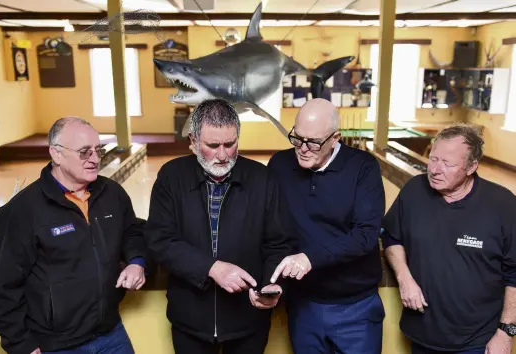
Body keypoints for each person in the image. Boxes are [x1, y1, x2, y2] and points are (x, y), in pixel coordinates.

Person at [144, 98, 296, 354]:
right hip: (189, 320)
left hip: (248, 319)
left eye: (230, 143)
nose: (223, 154)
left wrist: (271, 284)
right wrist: (211, 268)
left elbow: (278, 243)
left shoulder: (262, 178)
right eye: (212, 146)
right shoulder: (171, 177)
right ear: (193, 142)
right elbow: (159, 240)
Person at [0, 117, 147, 354]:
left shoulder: (112, 194)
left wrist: (137, 262)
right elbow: (4, 284)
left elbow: (133, 232)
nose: (95, 159)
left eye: (98, 150)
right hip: (56, 345)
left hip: (110, 332)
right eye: (84, 152)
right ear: (56, 154)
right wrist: (21, 344)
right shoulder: (25, 209)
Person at [381, 123, 516, 354]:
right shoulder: (414, 190)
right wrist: (404, 277)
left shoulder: (503, 204)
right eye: (433, 159)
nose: (435, 169)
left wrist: (506, 332)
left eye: (448, 163)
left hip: (477, 342)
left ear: (472, 166)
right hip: (422, 336)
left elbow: (514, 273)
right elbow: (392, 237)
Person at [267, 98, 386, 354]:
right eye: (297, 138)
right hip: (303, 304)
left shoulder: (363, 167)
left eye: (314, 142)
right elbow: (271, 230)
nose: (303, 148)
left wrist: (310, 258)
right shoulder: (279, 165)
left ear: (336, 139)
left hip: (356, 307)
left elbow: (366, 235)